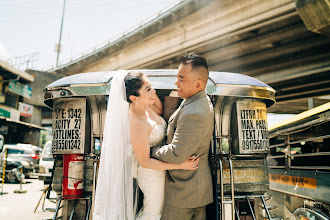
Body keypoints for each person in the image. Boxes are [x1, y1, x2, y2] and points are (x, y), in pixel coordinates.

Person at [93, 71, 199, 220]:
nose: (154, 92)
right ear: (133, 98)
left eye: (151, 87)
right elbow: (145, 161)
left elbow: (160, 110)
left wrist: (148, 87)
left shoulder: (146, 106)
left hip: (161, 169)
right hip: (151, 175)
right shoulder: (135, 122)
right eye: (148, 89)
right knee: (153, 213)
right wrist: (180, 165)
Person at [153, 54, 214, 220]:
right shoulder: (199, 100)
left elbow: (176, 154)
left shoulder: (194, 111)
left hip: (183, 193)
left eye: (181, 78)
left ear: (198, 83)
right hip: (194, 190)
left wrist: (153, 151)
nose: (176, 83)